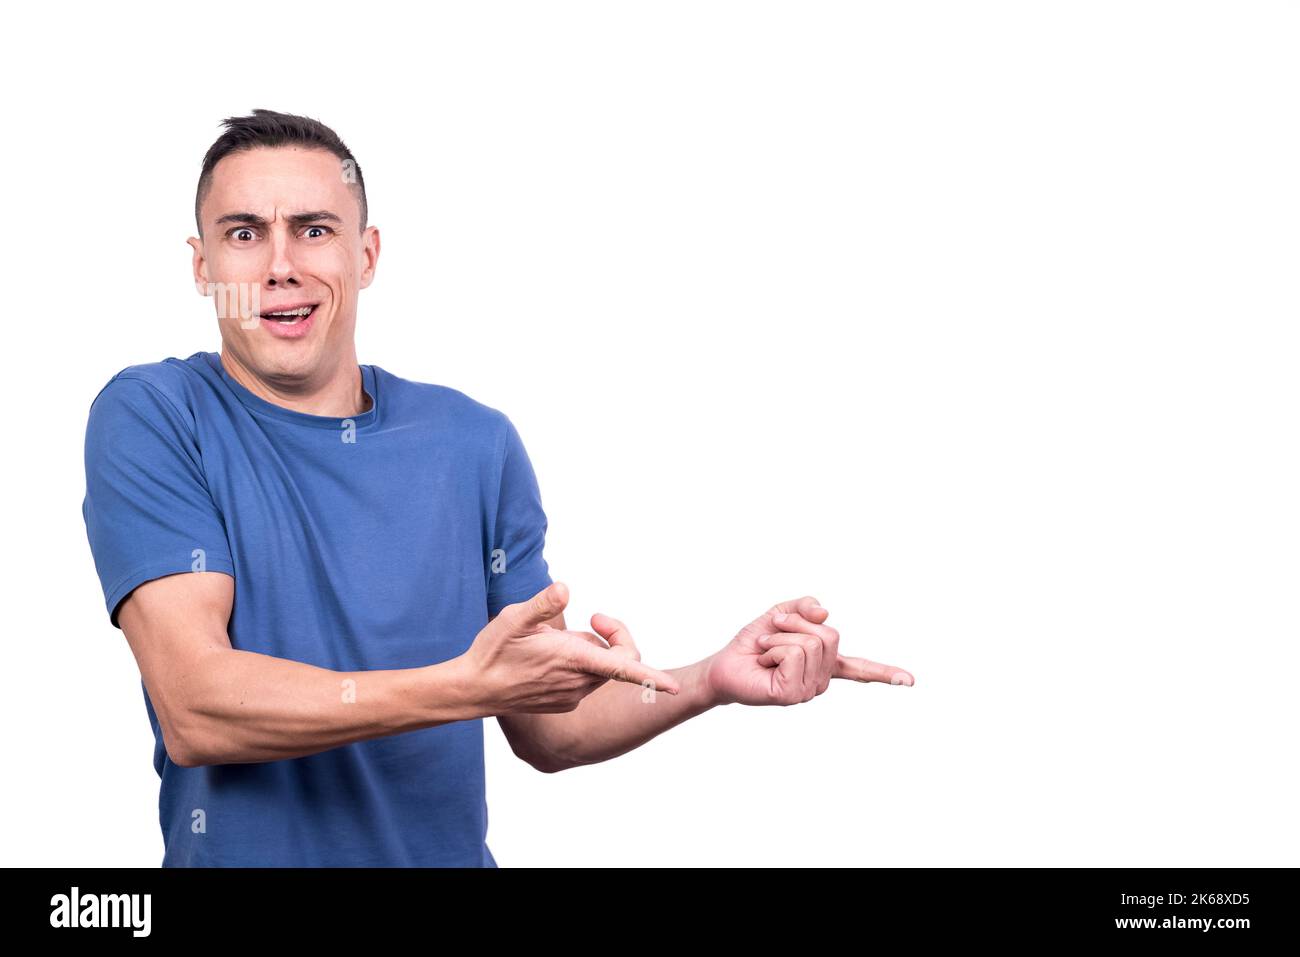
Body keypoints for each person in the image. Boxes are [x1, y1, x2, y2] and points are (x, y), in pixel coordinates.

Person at [81, 108, 915, 867]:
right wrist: (465, 687)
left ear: (365, 255)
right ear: (200, 266)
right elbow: (198, 706)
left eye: (313, 228)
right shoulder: (155, 415)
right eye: (242, 234)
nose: (280, 266)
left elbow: (546, 728)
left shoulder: (472, 441)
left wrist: (706, 679)